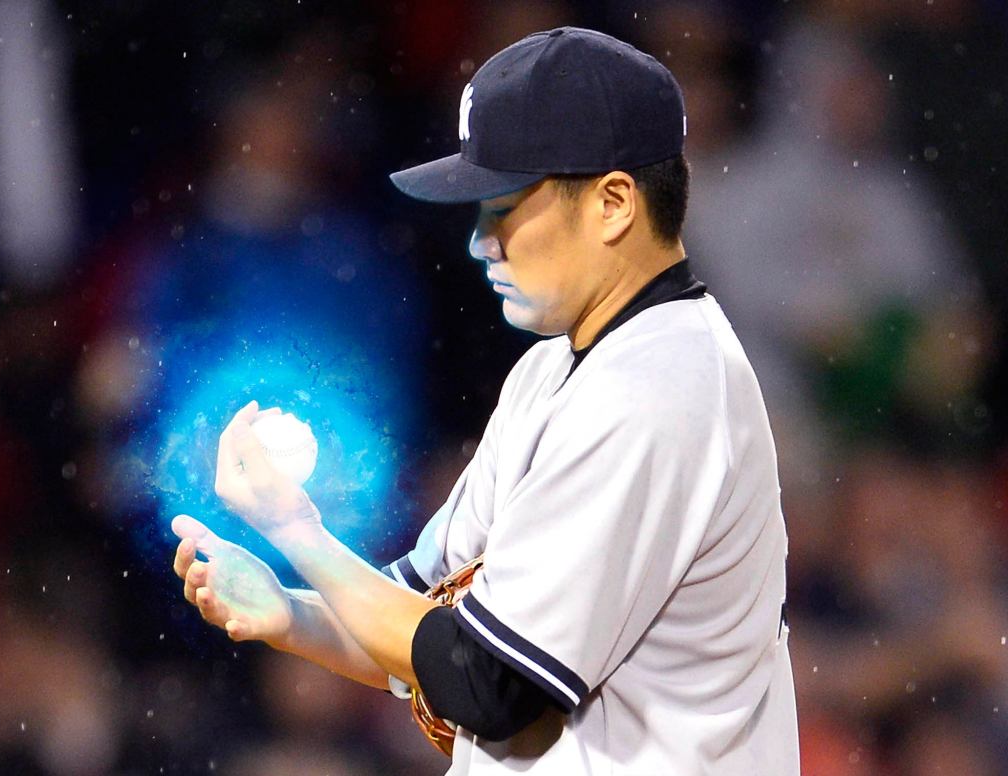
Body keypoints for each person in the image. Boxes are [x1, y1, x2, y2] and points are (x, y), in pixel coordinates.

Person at [171, 27, 799, 774]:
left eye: (503, 206)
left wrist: (295, 528)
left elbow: (489, 682)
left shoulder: (659, 386)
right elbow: (420, 623)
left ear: (613, 203)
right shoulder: (557, 369)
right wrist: (291, 612)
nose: (480, 242)